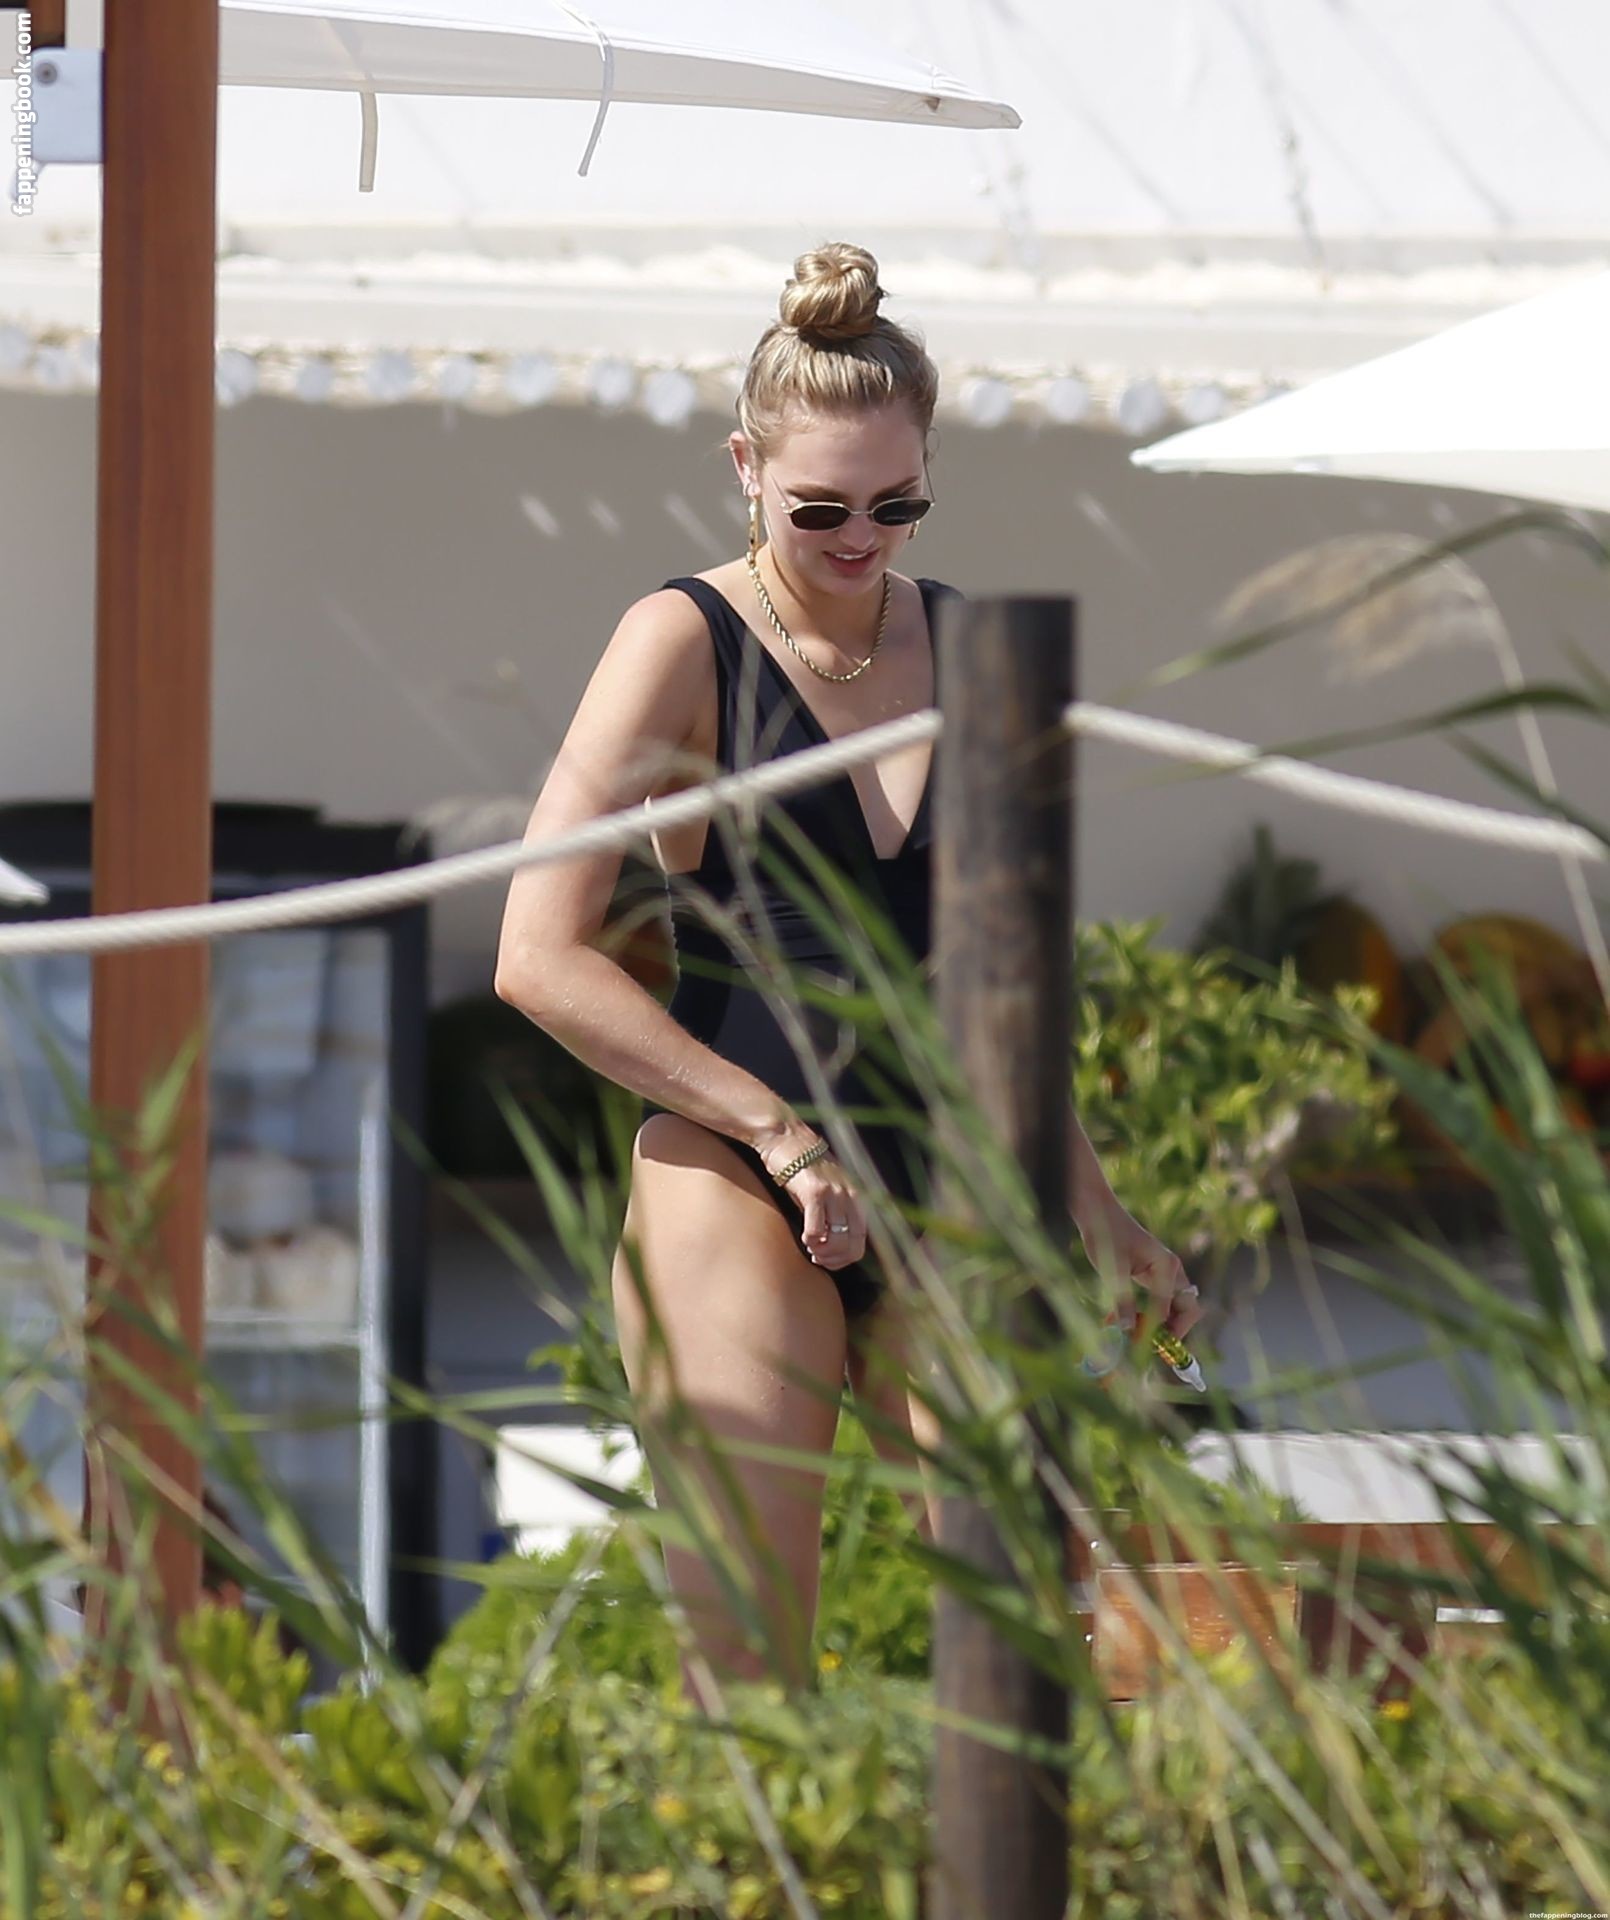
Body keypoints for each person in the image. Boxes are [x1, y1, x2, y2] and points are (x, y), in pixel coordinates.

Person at [494, 241, 1200, 1699]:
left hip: (954, 1173)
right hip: (737, 1171)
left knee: (1025, 1656)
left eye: (898, 503)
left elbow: (994, 991)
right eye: (820, 505)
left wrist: (1101, 1207)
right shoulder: (679, 639)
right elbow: (536, 956)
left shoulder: (978, 646)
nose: (859, 534)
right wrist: (776, 1132)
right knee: (751, 1670)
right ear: (744, 468)